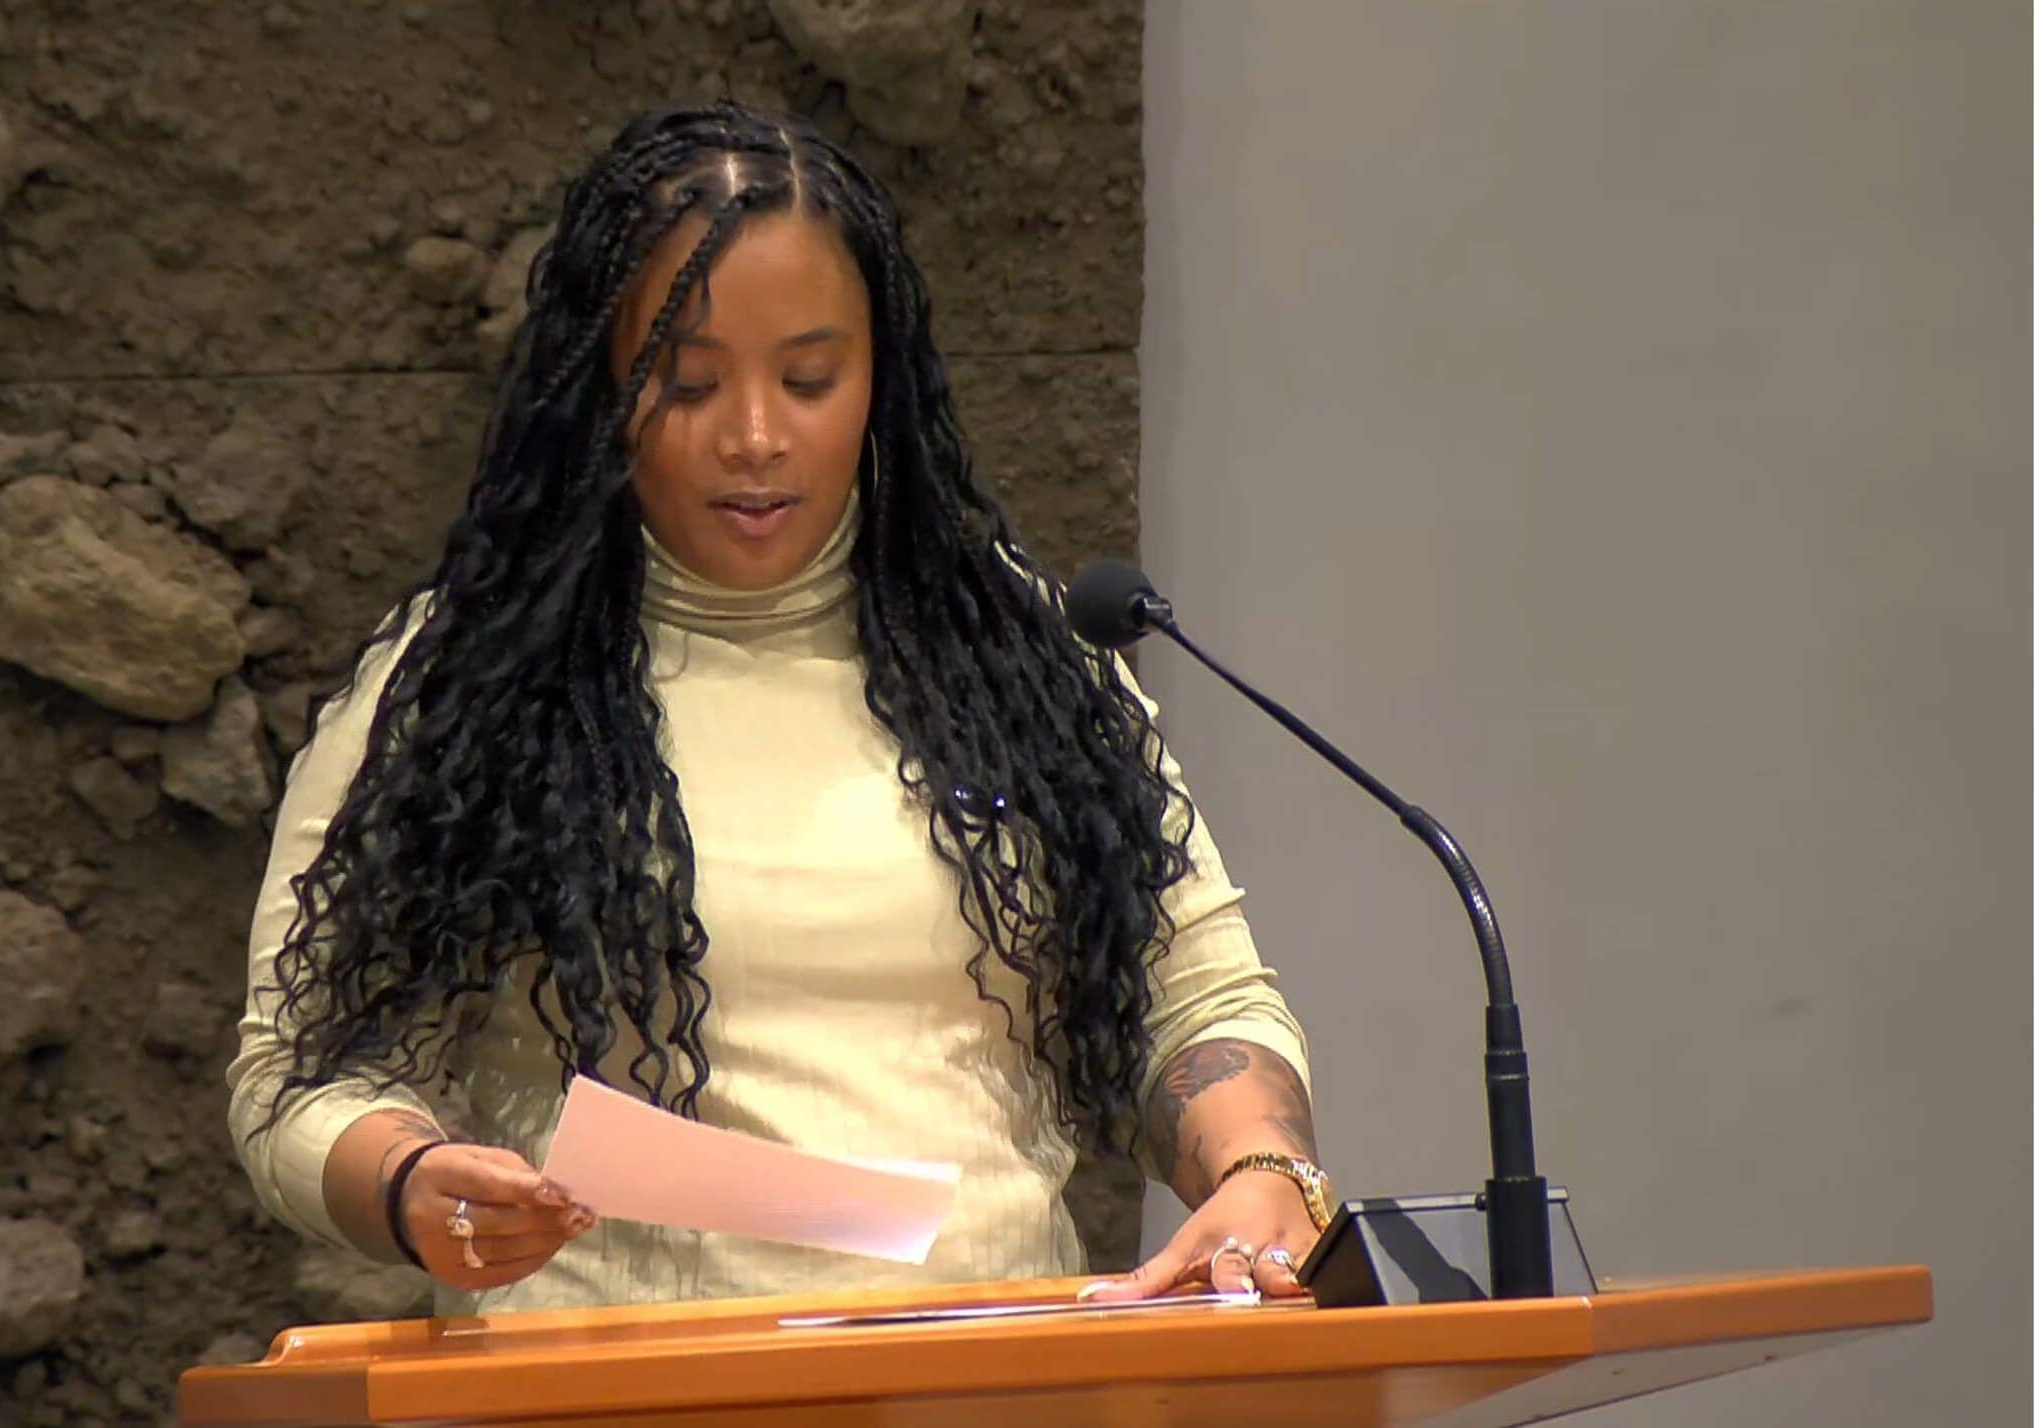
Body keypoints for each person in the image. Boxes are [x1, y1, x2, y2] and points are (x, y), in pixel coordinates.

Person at [228, 100, 1333, 1316]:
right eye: (689, 383)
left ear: (883, 380)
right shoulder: (463, 681)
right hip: (618, 1393)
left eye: (810, 378)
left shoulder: (1023, 660)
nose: (755, 437)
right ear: (600, 388)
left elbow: (1196, 999)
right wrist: (411, 1180)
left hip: (996, 1379)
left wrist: (1257, 1166)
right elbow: (301, 1080)